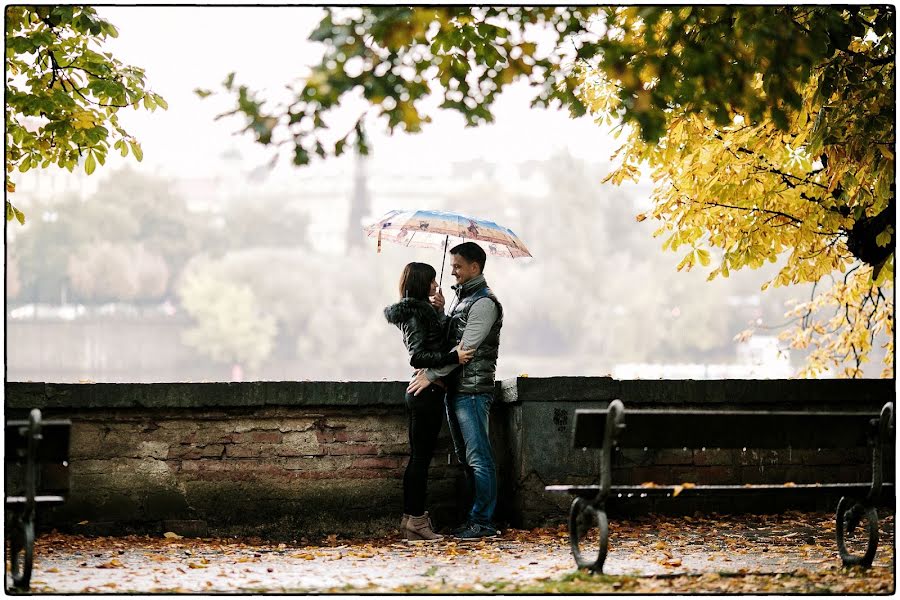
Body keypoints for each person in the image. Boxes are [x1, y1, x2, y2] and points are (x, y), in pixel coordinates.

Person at [407, 242, 503, 540]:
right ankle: (472, 518)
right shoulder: (462, 299)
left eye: (458, 266)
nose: (453, 271)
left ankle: (483, 522)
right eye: (453, 266)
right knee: (465, 458)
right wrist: (440, 311)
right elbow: (450, 337)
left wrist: (431, 375)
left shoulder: (484, 303)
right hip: (457, 389)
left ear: (475, 267)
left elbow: (466, 349)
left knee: (479, 458)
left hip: (473, 391)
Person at [384, 262, 475, 542]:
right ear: (423, 282)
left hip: (427, 393)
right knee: (420, 460)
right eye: (433, 280)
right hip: (427, 393)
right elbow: (418, 356)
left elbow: (435, 339)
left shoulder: (422, 312)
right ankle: (416, 521)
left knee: (419, 459)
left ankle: (412, 520)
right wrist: (453, 358)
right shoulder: (416, 315)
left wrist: (440, 311)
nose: (437, 285)